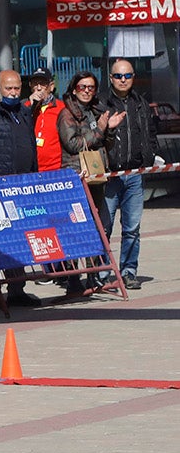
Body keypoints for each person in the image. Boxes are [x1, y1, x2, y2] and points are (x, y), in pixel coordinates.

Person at [0, 69, 40, 307]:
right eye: (8, 88)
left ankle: (17, 289)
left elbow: (31, 148)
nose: (13, 93)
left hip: (21, 187)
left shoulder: (24, 113)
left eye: (16, 88)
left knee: (19, 241)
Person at [58, 70, 120, 296]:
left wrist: (110, 129)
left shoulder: (96, 111)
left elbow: (105, 145)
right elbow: (73, 145)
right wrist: (100, 129)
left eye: (91, 88)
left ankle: (93, 275)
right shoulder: (67, 114)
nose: (86, 91)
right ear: (74, 89)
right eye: (82, 87)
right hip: (76, 177)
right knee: (75, 227)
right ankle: (74, 279)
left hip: (96, 176)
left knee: (97, 227)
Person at [100, 58, 159, 291]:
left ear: (133, 77)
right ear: (111, 78)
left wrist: (151, 154)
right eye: (118, 76)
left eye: (127, 76)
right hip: (110, 176)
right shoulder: (102, 103)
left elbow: (151, 132)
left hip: (135, 174)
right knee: (104, 227)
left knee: (132, 227)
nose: (122, 80)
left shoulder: (141, 103)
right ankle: (104, 273)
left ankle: (128, 271)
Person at [27, 67, 65, 172]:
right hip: (31, 169)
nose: (39, 88)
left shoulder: (62, 108)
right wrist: (31, 107)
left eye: (43, 84)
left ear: (51, 86)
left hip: (55, 169)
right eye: (35, 83)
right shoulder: (23, 108)